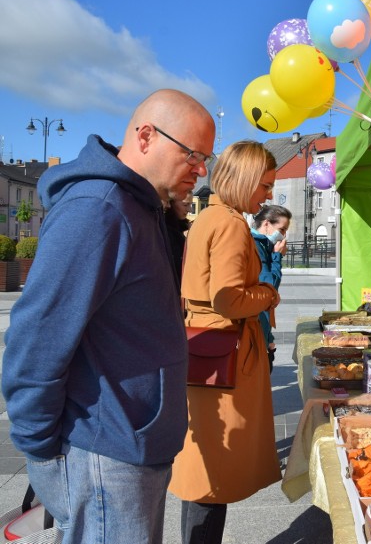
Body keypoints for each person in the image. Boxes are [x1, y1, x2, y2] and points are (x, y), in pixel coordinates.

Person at [0, 89, 215, 543]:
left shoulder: (143, 208)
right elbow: (36, 337)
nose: (201, 170)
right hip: (106, 451)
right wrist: (41, 452)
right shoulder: (98, 208)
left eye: (206, 158)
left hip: (133, 442)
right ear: (145, 136)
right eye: (193, 154)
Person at [169, 140, 281, 544]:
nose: (267, 195)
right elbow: (228, 298)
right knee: (212, 475)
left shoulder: (210, 217)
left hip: (206, 349)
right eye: (265, 185)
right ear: (246, 179)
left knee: (204, 469)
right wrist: (268, 294)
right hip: (226, 353)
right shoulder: (231, 223)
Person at [251, 204, 292, 372]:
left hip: (262, 326)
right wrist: (277, 256)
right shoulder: (256, 245)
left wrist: (269, 336)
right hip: (255, 325)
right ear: (267, 224)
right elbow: (269, 287)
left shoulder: (264, 245)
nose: (283, 235)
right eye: (282, 229)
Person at [165, 194, 194, 281]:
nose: (189, 209)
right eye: (185, 205)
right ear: (171, 203)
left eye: (190, 204)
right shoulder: (165, 230)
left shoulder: (181, 228)